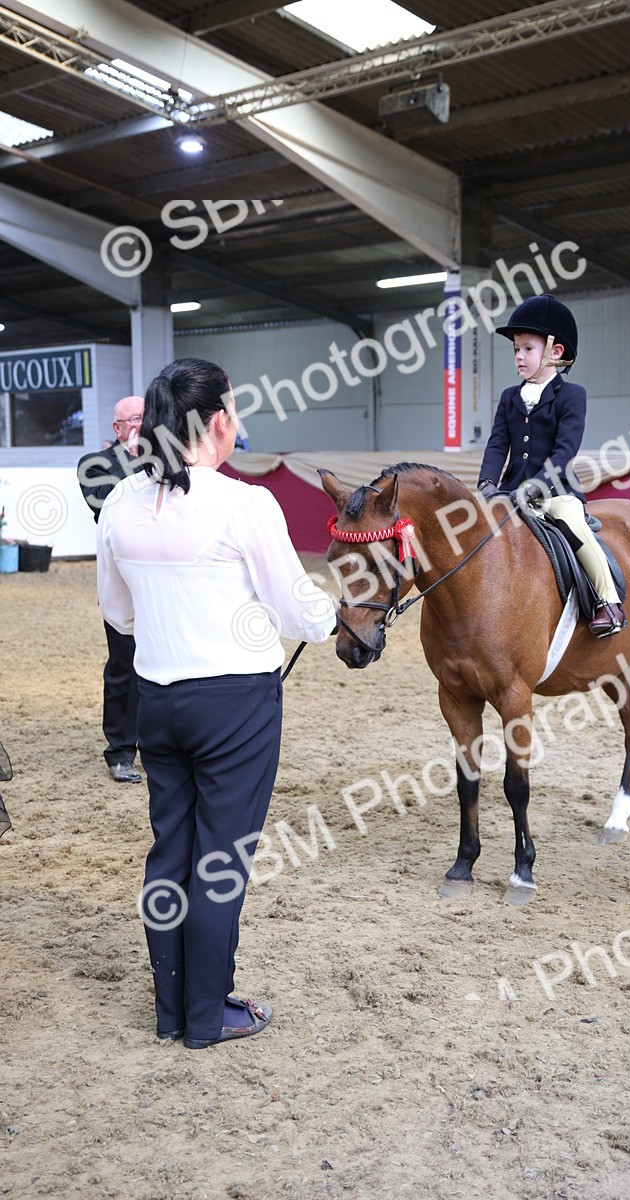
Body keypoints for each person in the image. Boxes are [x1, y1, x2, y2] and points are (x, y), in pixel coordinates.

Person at [96, 357, 338, 1050]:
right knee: (221, 862)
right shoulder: (244, 504)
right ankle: (208, 1015)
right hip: (235, 704)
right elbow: (299, 614)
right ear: (219, 422)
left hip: (157, 702)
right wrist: (326, 613)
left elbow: (119, 612)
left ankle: (171, 1010)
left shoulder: (121, 503)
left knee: (170, 853)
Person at [477, 294, 626, 637]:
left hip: (555, 491)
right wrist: (487, 482)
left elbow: (565, 451)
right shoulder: (509, 398)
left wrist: (536, 486)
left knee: (574, 527)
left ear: (554, 352)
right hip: (511, 491)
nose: (518, 356)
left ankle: (608, 602)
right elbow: (498, 443)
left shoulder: (572, 395)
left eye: (527, 349)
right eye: (516, 349)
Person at [77, 396, 144, 781]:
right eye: (131, 419)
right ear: (117, 429)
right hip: (123, 584)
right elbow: (109, 509)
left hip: (168, 582)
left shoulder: (171, 460)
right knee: (125, 668)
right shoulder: (95, 464)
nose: (139, 424)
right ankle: (120, 751)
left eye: (144, 417)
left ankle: (158, 745)